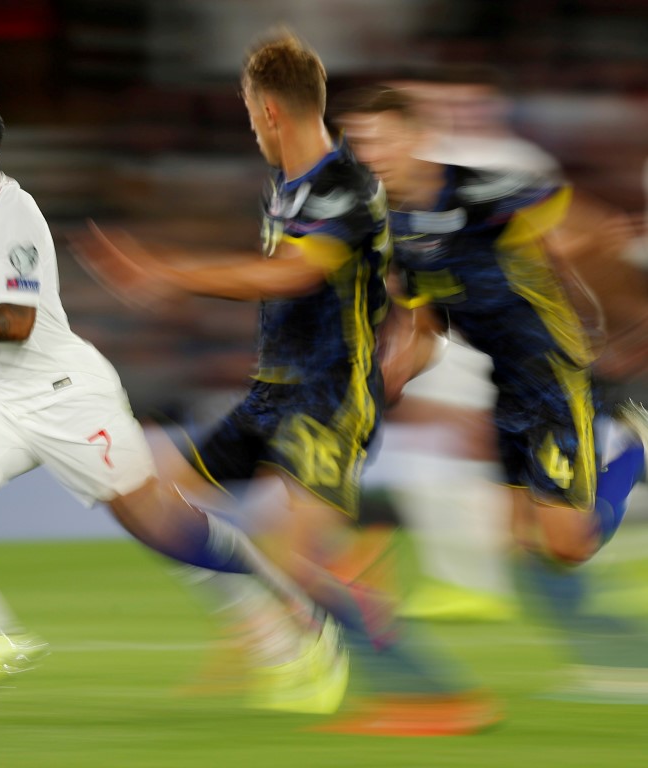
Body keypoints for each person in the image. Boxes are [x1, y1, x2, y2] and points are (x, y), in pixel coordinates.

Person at [0, 94, 346, 707]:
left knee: (158, 525)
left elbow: (15, 322)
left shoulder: (15, 213)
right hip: (10, 400)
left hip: (68, 399)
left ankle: (294, 612)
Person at [74, 32, 499, 735]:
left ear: (269, 111)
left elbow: (292, 274)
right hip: (271, 394)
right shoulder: (288, 187)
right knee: (138, 494)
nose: (251, 129)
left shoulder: (346, 187)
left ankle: (434, 693)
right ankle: (278, 622)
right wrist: (414, 333)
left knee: (300, 562)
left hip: (327, 402)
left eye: (249, 115)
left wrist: (166, 271)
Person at [340, 85, 648, 700]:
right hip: (504, 381)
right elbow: (424, 325)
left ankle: (636, 446)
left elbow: (603, 228)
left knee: (566, 549)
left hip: (551, 374)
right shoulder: (392, 227)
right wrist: (393, 374)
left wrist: (569, 264)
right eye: (358, 140)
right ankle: (620, 646)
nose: (367, 151)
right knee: (519, 547)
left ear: (416, 137)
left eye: (379, 137)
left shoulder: (484, 190)